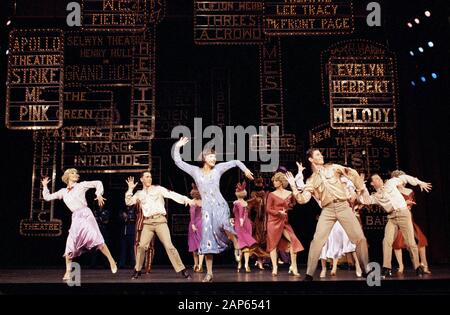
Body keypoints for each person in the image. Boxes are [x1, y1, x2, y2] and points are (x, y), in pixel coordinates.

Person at [173, 137, 254, 282]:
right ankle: (209, 273)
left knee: (224, 224)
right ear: (204, 158)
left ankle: (236, 242)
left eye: (215, 156)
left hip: (220, 205)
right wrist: (178, 146)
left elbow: (235, 162)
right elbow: (178, 162)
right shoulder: (195, 171)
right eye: (211, 156)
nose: (214, 159)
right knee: (208, 241)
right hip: (206, 210)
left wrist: (245, 169)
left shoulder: (218, 169)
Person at [285, 148, 369, 281]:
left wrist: (360, 189)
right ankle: (309, 274)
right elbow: (303, 200)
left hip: (343, 206)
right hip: (327, 210)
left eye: (321, 154)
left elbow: (351, 173)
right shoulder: (311, 180)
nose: (321, 156)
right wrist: (293, 187)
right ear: (311, 159)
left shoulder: (333, 168)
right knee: (317, 240)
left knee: (360, 238)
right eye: (318, 154)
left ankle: (365, 270)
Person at [41, 169, 117, 281]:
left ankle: (111, 260)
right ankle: (68, 271)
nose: (76, 174)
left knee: (95, 237)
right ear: (67, 176)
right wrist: (44, 186)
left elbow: (98, 183)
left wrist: (98, 194)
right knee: (70, 243)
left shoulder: (81, 185)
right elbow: (47, 197)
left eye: (76, 173)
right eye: (73, 173)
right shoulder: (63, 191)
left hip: (85, 214)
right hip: (76, 217)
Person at [358, 172, 432, 277]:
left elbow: (404, 177)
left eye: (379, 178)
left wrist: (420, 183)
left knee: (410, 242)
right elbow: (365, 200)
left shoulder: (390, 183)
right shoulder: (375, 196)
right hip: (392, 217)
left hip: (403, 214)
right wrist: (362, 186)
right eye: (376, 179)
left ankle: (417, 267)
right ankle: (386, 267)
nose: (379, 180)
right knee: (386, 241)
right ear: (372, 184)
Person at [125, 171, 193, 280]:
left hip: (160, 221)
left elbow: (171, 194)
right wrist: (130, 189)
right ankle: (137, 270)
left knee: (169, 246)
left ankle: (182, 269)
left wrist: (185, 199)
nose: (149, 179)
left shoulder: (158, 189)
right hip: (147, 223)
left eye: (150, 177)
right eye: (147, 177)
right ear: (142, 179)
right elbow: (128, 202)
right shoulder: (139, 194)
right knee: (141, 246)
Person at [391, 170, 431, 274]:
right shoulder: (393, 192)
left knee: (421, 240)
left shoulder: (409, 191)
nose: (402, 181)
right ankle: (401, 266)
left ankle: (424, 265)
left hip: (408, 218)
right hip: (398, 218)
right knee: (397, 243)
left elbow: (411, 204)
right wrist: (404, 203)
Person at [266, 172, 304, 277]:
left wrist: (289, 206)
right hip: (273, 222)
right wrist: (278, 212)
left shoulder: (289, 193)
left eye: (276, 180)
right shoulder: (271, 194)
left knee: (293, 241)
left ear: (281, 182)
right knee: (273, 245)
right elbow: (268, 209)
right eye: (273, 180)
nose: (274, 182)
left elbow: (293, 204)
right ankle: (275, 268)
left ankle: (294, 267)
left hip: (284, 222)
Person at [233, 182, 257, 272]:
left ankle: (240, 264)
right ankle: (246, 265)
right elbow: (244, 213)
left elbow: (240, 213)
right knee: (245, 244)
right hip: (246, 223)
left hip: (240, 224)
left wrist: (240, 220)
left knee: (241, 243)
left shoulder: (237, 203)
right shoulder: (246, 203)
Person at [188, 184, 204, 273]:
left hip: (195, 224)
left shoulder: (193, 202)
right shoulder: (203, 202)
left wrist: (193, 224)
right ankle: (199, 265)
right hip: (202, 224)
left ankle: (197, 265)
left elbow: (192, 214)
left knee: (195, 245)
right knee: (200, 245)